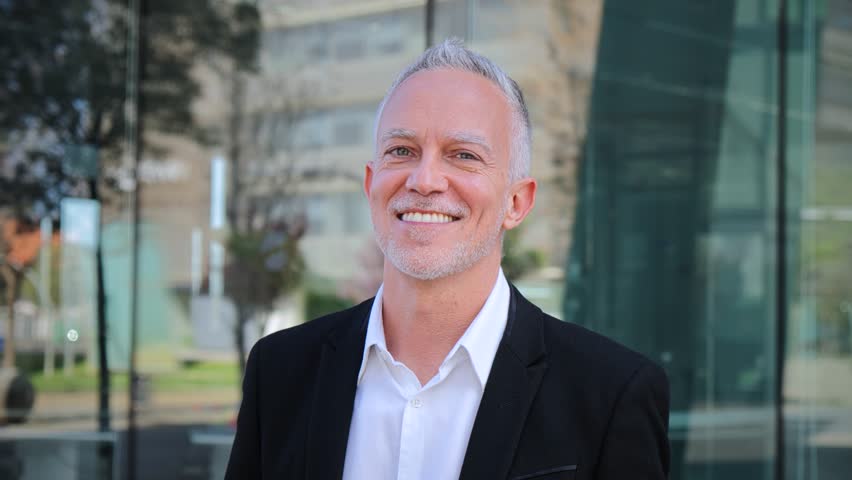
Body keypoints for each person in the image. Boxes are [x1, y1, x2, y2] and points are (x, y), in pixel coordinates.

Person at [225, 38, 670, 480]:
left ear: (517, 201)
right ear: (370, 183)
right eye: (402, 150)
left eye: (463, 155)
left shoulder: (610, 394)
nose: (425, 179)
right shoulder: (280, 372)